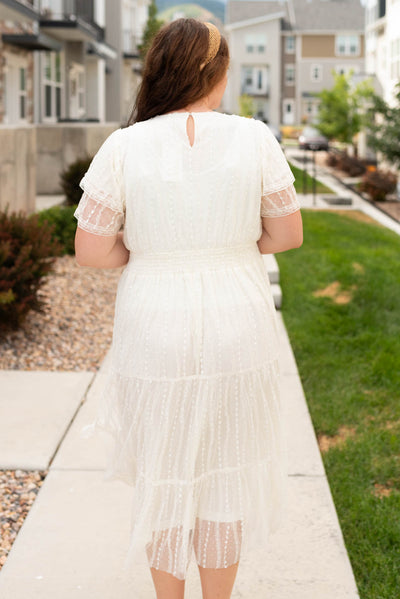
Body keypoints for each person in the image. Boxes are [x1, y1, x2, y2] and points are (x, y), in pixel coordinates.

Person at [74, 17, 302, 599]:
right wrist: (227, 246)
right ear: (220, 74)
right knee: (223, 478)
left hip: (156, 319)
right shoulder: (254, 138)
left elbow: (92, 248)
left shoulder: (124, 146)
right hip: (238, 317)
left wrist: (151, 251)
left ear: (159, 72)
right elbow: (286, 234)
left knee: (165, 476)